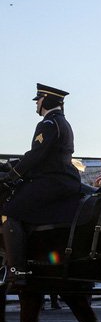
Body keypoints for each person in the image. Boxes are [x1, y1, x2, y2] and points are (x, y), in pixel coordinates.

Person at [1, 84, 82, 290]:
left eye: (38, 100)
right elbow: (39, 154)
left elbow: (36, 155)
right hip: (64, 178)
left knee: (10, 213)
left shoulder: (48, 123)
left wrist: (11, 176)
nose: (36, 104)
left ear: (45, 100)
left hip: (52, 180)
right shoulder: (61, 122)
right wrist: (11, 165)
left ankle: (16, 271)